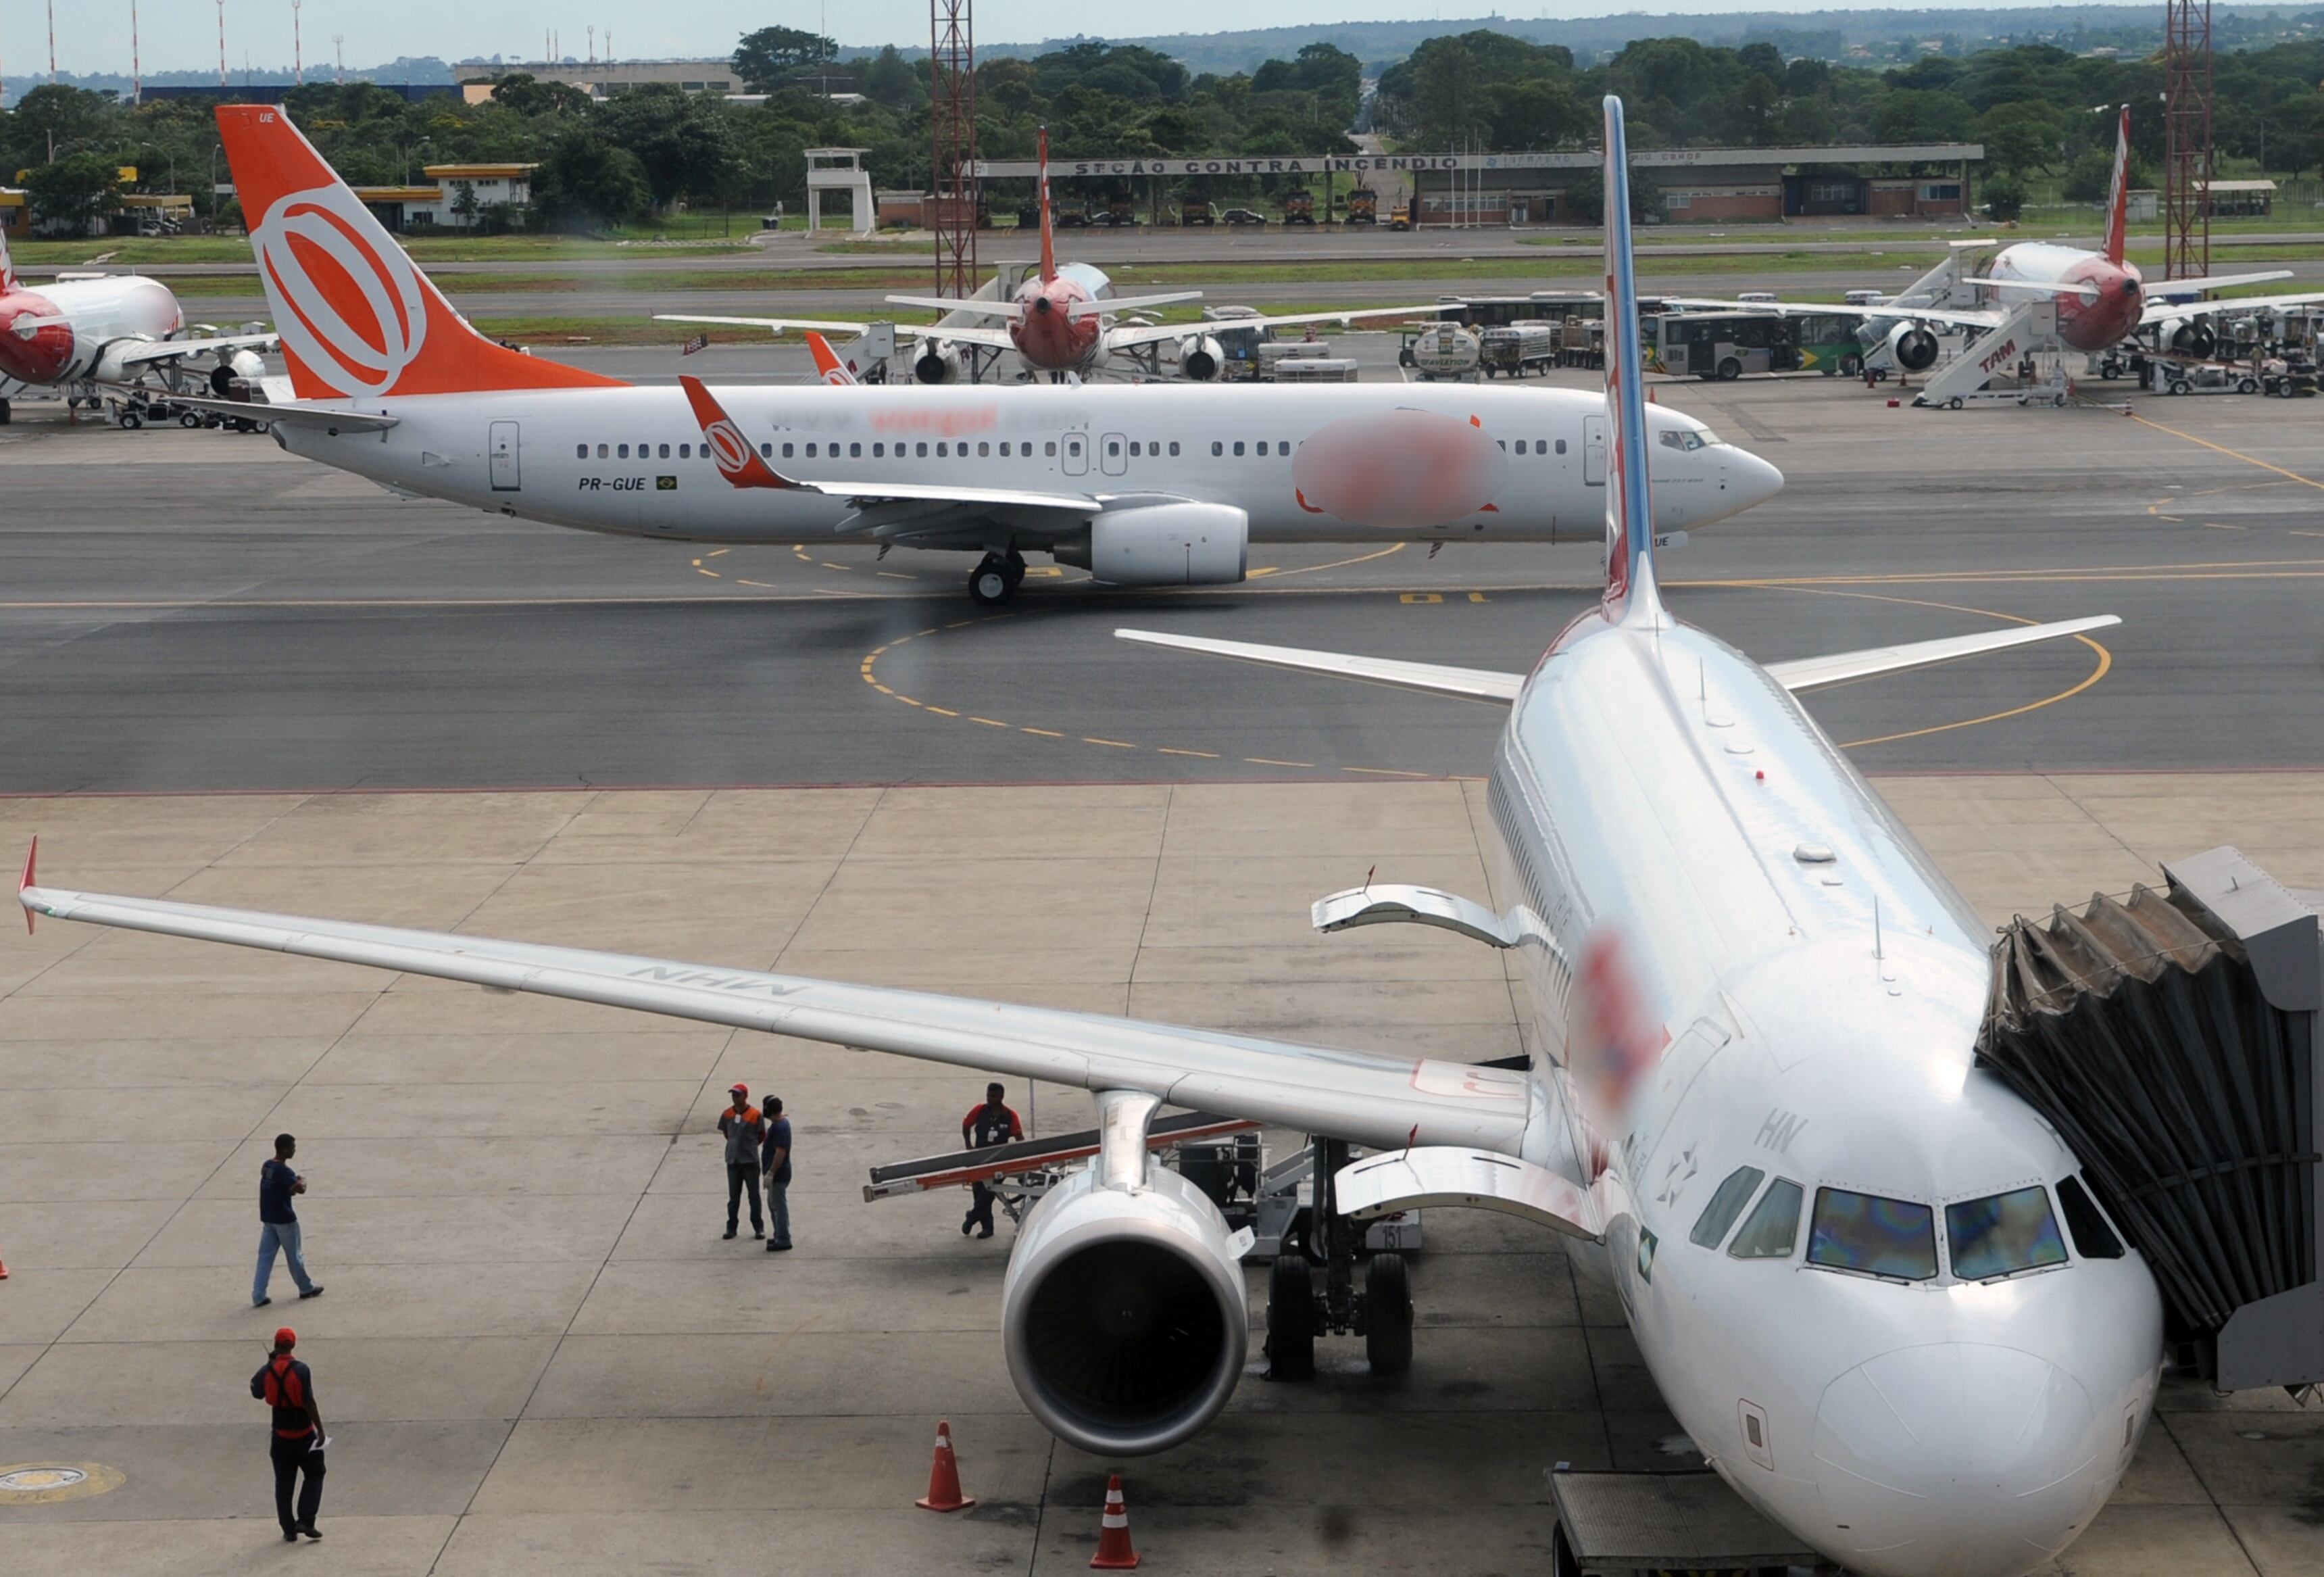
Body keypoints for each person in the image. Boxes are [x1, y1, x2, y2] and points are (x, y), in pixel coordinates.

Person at [250, 1326, 326, 1542]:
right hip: (303, 1434)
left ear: (275, 1346)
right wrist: (319, 1429)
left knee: (283, 1484)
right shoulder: (301, 1370)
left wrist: (268, 1364)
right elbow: (308, 1401)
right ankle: (306, 1519)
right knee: (315, 1473)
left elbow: (256, 1391)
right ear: (293, 1345)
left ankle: (288, 1528)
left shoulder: (268, 1371)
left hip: (280, 1437)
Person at [255, 1134, 322, 1307]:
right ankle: (306, 1288)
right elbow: (300, 1189)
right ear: (284, 1149)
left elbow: (278, 1188)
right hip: (285, 1219)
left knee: (265, 1257)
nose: (294, 1150)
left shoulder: (267, 1166)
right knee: (294, 1255)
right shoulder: (285, 1172)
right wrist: (302, 1180)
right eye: (292, 1147)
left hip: (268, 1219)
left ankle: (258, 1294)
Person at [960, 1082, 1024, 1240]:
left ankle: (972, 1217)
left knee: (988, 1193)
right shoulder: (980, 1111)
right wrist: (969, 1146)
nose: (990, 1099)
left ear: (1002, 1097)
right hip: (980, 1160)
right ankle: (986, 1227)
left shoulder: (1010, 1116)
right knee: (979, 1192)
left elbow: (1019, 1139)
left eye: (993, 1096)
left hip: (999, 1162)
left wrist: (1022, 1159)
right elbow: (966, 1125)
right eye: (988, 1095)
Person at [718, 1084, 766, 1240]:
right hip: (733, 1160)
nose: (735, 1098)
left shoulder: (755, 1114)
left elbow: (761, 1135)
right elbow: (727, 1133)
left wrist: (747, 1147)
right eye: (733, 1095)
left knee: (754, 1197)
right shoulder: (727, 1114)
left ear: (745, 1096)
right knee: (733, 1198)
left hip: (750, 1161)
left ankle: (758, 1227)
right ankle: (731, 1227)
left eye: (738, 1095)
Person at [760, 1096, 793, 1253]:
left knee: (779, 1207)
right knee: (773, 1205)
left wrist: (771, 1172)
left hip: (778, 1175)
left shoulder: (780, 1128)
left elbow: (780, 1152)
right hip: (777, 1173)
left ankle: (783, 1239)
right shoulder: (779, 1124)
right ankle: (779, 1234)